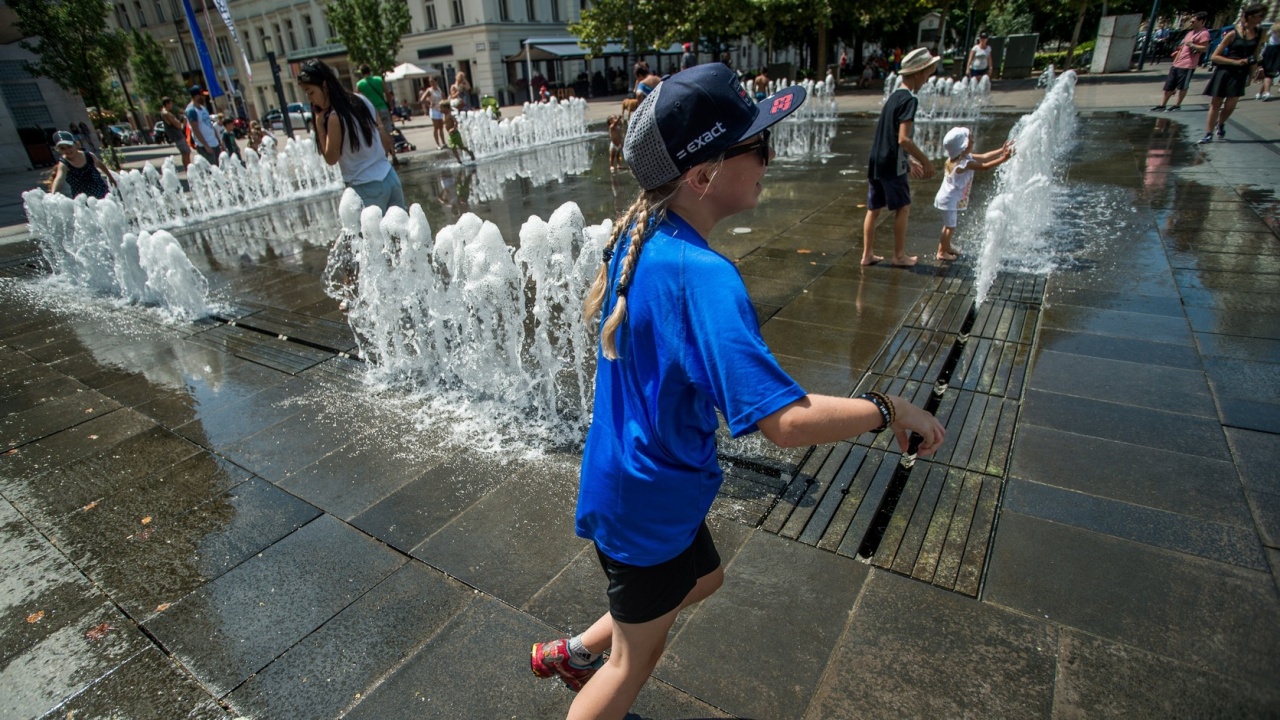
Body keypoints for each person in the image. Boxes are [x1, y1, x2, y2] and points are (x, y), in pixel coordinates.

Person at [527, 62, 945, 717]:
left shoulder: (647, 238)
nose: (770, 159)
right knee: (634, 664)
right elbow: (785, 422)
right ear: (703, 175)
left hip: (636, 481)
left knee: (703, 578)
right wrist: (889, 409)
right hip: (648, 502)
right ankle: (591, 671)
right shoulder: (705, 279)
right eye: (760, 147)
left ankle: (577, 651)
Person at [862, 47, 938, 267]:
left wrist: (908, 159)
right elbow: (903, 139)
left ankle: (867, 255)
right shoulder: (909, 100)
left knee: (873, 209)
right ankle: (899, 255)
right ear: (917, 73)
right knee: (903, 206)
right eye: (926, 73)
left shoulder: (894, 97)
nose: (927, 79)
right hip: (890, 163)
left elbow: (889, 135)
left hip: (876, 159)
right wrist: (924, 160)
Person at [299, 58, 405, 211]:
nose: (310, 99)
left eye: (311, 92)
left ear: (324, 86)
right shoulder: (362, 100)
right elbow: (384, 137)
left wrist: (320, 127)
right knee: (401, 232)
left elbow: (331, 158)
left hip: (365, 187)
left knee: (366, 234)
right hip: (390, 178)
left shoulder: (335, 117)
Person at [932, 127, 1014, 261]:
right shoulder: (963, 164)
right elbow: (985, 166)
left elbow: (984, 157)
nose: (973, 141)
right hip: (947, 201)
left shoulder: (962, 157)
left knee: (949, 225)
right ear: (963, 146)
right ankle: (941, 252)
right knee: (950, 226)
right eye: (970, 140)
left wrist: (1000, 150)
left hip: (947, 199)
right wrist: (1004, 159)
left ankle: (946, 246)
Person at [1199, 4, 1266, 144]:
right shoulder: (1232, 33)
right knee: (1216, 103)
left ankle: (1221, 123)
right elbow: (1214, 56)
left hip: (1241, 73)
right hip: (1225, 71)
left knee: (1230, 106)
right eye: (1260, 15)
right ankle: (1208, 133)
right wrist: (1234, 62)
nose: (1262, 18)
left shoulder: (1260, 34)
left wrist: (1251, 75)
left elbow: (1254, 55)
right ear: (1250, 16)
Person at [1152, 13, 1209, 111]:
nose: (1191, 23)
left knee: (1182, 86)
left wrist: (1192, 45)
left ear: (1201, 21)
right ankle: (1162, 105)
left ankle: (1177, 105)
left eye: (1193, 21)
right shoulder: (1189, 33)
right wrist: (1175, 61)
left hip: (1188, 64)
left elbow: (1204, 48)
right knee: (1169, 85)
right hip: (1178, 63)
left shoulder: (1204, 33)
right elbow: (1182, 47)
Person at [49, 130, 118, 199]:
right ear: (58, 149)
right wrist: (53, 194)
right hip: (83, 198)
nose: (67, 150)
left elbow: (100, 165)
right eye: (62, 148)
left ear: (76, 144)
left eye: (69, 146)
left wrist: (110, 177)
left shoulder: (88, 155)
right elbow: (59, 179)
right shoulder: (64, 164)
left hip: (101, 191)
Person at [185, 85, 221, 165]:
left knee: (219, 168)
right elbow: (195, 130)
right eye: (202, 95)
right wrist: (206, 145)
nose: (204, 97)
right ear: (196, 96)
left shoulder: (203, 108)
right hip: (205, 145)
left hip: (214, 142)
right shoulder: (191, 110)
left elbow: (209, 125)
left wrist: (218, 140)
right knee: (211, 169)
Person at [158, 96, 192, 167]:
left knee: (186, 152)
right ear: (167, 104)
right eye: (171, 103)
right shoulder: (166, 113)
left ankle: (188, 168)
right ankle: (188, 168)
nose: (172, 105)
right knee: (185, 152)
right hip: (177, 135)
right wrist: (183, 123)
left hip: (177, 135)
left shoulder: (164, 113)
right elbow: (177, 125)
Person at [440, 100, 476, 164]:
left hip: (455, 134)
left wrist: (453, 128)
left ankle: (470, 152)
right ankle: (459, 160)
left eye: (441, 108)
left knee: (461, 147)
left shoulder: (449, 115)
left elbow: (456, 122)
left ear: (446, 108)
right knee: (452, 147)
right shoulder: (444, 115)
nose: (440, 109)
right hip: (450, 135)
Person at [1257, 22, 1280, 101]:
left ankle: (1260, 93)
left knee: (1269, 74)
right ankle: (1266, 93)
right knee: (1269, 75)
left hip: (1269, 49)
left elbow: (1267, 35)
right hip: (1276, 50)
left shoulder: (1273, 29)